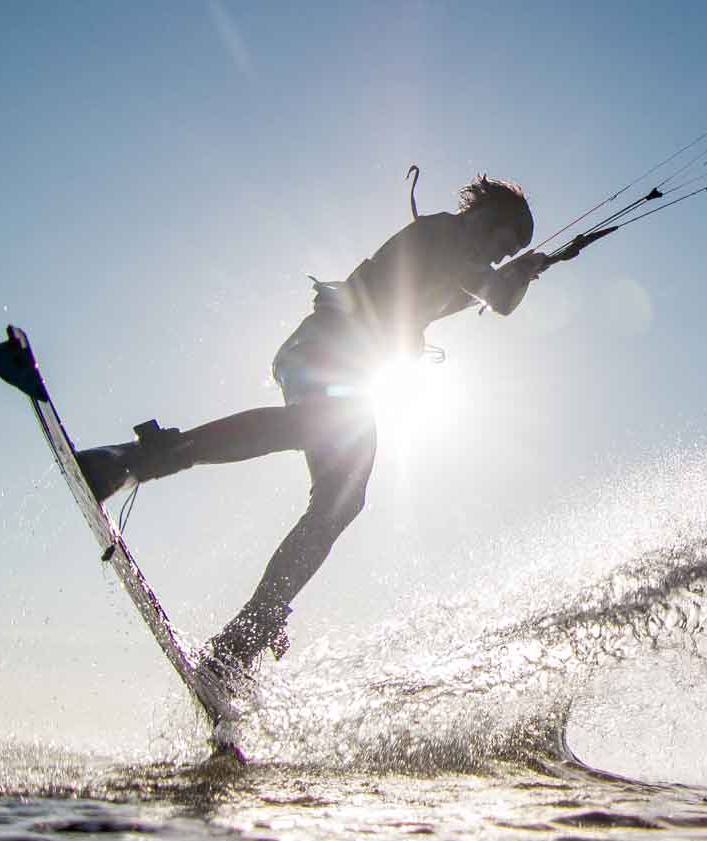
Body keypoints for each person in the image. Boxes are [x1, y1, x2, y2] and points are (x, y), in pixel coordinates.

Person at [75, 174, 561, 686]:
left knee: (341, 501)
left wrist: (524, 272)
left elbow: (489, 293)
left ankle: (242, 641)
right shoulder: (440, 235)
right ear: (484, 216)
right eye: (504, 240)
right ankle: (131, 460)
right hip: (321, 351)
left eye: (509, 252)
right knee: (316, 426)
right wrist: (520, 275)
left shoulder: (466, 266)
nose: (500, 254)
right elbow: (496, 295)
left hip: (352, 378)